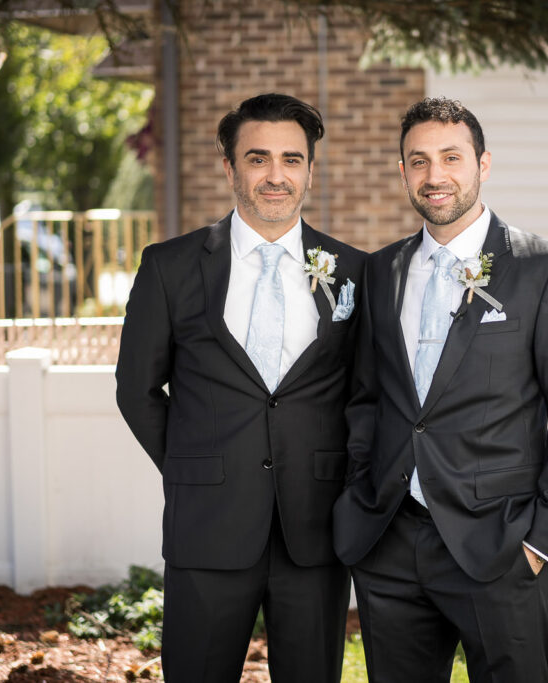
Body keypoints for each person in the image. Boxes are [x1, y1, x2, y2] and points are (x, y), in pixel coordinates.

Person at [334, 97, 548, 682]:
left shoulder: (546, 270)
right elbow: (366, 399)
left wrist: (545, 540)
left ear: (483, 165)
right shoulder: (380, 272)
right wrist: (362, 489)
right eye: (418, 161)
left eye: (451, 158)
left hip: (502, 544)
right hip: (390, 541)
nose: (435, 176)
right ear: (403, 171)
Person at [117, 93, 364, 683]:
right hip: (207, 524)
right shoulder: (169, 267)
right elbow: (137, 389)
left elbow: (366, 394)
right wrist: (193, 465)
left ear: (310, 168)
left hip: (317, 528)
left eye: (291, 159)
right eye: (257, 159)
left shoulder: (354, 270)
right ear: (229, 167)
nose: (275, 176)